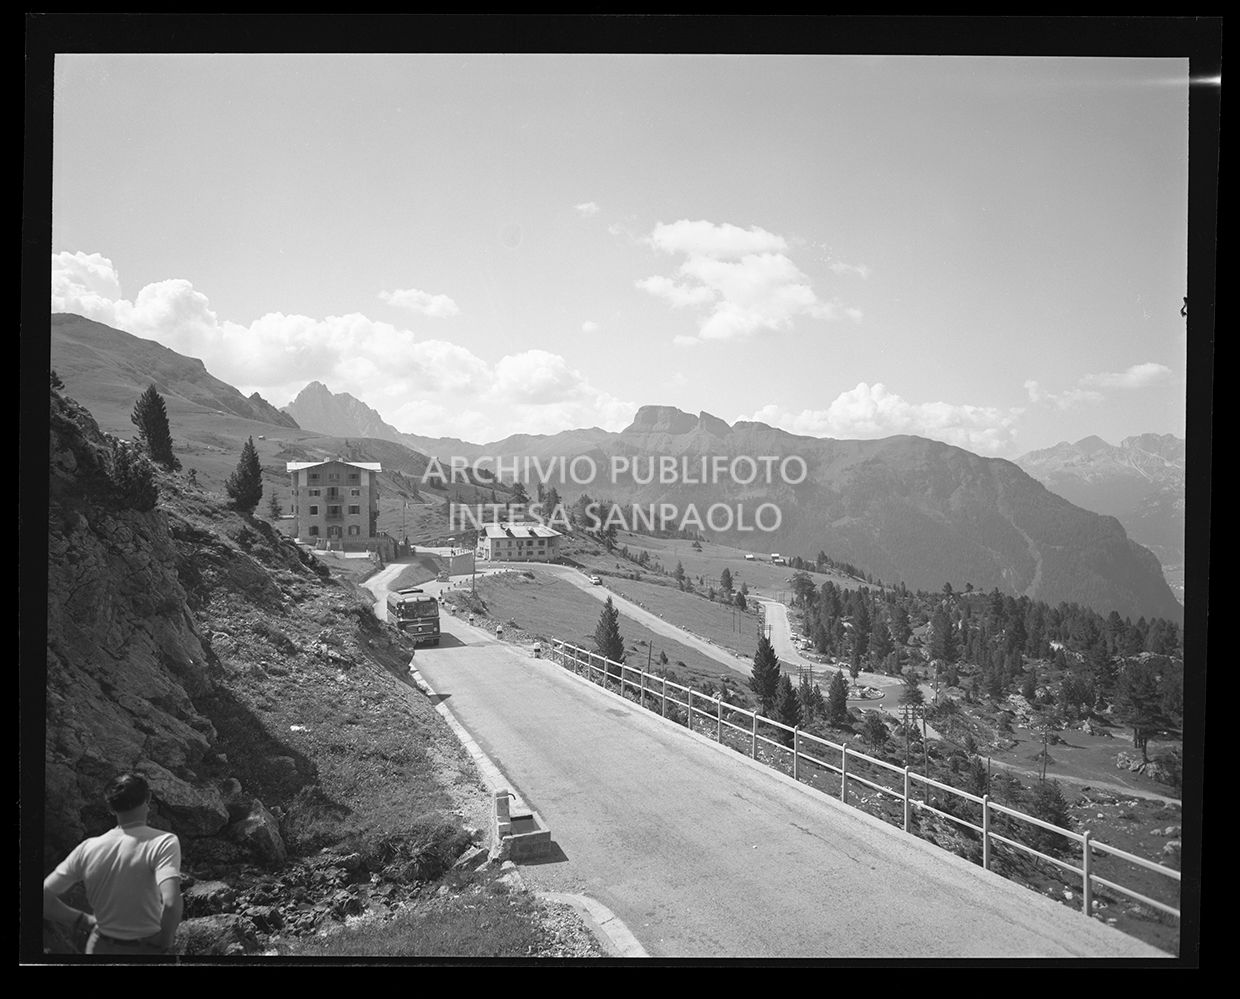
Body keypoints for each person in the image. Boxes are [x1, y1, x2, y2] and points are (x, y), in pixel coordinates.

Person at [43, 772, 183, 957]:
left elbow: (42, 896)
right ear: (148, 798)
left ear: (110, 808)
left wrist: (82, 920)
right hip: (145, 947)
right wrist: (164, 941)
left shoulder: (88, 847)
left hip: (98, 946)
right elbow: (171, 903)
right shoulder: (163, 842)